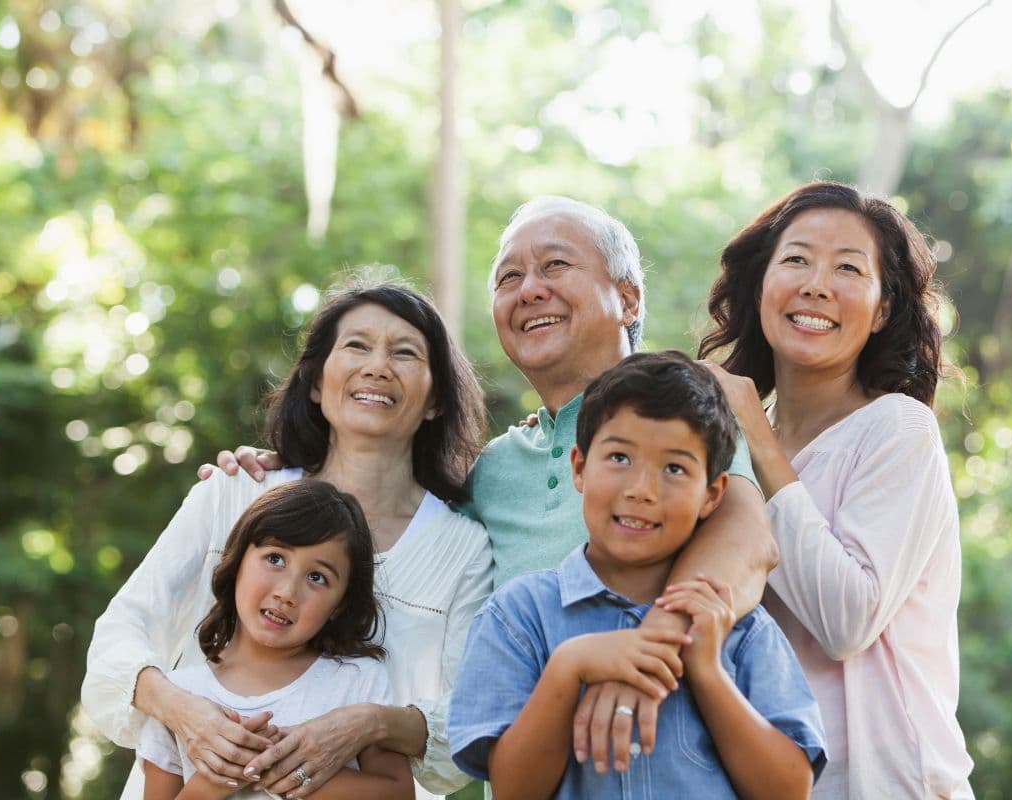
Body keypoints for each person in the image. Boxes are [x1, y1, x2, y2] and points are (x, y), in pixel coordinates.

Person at [212, 196, 779, 777]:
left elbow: (745, 543)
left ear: (628, 297)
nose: (529, 289)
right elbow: (381, 513)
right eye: (510, 277)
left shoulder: (688, 421)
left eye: (555, 265)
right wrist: (296, 469)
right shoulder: (494, 471)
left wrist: (646, 654)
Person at [83, 280, 493, 800]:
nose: (377, 366)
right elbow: (120, 631)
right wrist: (183, 711)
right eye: (357, 346)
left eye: (404, 353)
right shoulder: (236, 491)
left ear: (436, 399)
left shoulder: (462, 547)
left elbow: (471, 718)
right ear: (317, 383)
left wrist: (367, 724)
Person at [698, 181, 974, 798]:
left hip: (889, 783)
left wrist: (754, 436)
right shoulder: (730, 449)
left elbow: (848, 618)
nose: (816, 284)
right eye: (795, 259)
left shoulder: (897, 429)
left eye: (848, 267)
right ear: (762, 285)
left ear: (881, 309)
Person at [447, 351, 826, 799]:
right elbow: (513, 791)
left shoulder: (737, 628)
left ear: (712, 494)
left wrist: (706, 672)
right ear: (580, 468)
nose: (641, 491)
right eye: (620, 458)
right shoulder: (519, 616)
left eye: (674, 468)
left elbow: (789, 790)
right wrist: (568, 670)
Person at [138, 479, 413, 800]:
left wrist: (284, 768)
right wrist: (218, 778)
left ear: (339, 606)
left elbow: (399, 793)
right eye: (275, 559)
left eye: (317, 577)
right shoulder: (180, 696)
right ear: (238, 559)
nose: (287, 593)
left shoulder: (358, 682)